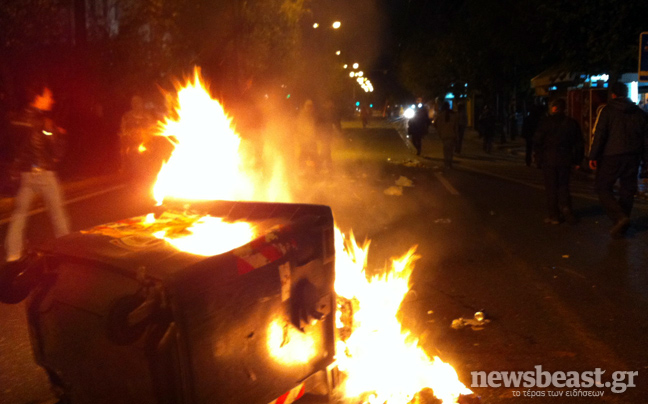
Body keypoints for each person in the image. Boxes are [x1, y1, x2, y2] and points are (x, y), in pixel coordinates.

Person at [4, 83, 70, 264]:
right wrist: (60, 135)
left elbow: (11, 147)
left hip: (26, 175)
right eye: (48, 96)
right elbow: (56, 153)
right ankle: (69, 251)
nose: (52, 100)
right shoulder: (45, 123)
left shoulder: (15, 119)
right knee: (58, 215)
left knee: (19, 216)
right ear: (38, 98)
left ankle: (12, 254)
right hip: (44, 174)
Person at [588, 82, 648, 237]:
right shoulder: (640, 113)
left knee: (603, 187)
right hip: (633, 157)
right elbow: (646, 140)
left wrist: (593, 156)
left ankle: (619, 217)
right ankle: (622, 225)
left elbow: (600, 135)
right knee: (627, 190)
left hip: (611, 156)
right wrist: (645, 161)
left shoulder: (607, 111)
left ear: (613, 94)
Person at [534, 98, 583, 225]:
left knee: (551, 188)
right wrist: (578, 160)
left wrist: (538, 158)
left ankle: (554, 215)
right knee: (563, 186)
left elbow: (538, 141)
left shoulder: (545, 122)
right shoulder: (571, 123)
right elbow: (578, 143)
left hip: (549, 159)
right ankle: (566, 209)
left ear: (554, 108)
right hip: (565, 159)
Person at [120, 95, 156, 177]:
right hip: (132, 146)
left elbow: (154, 130)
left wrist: (146, 133)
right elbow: (123, 131)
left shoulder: (148, 117)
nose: (136, 104)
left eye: (138, 102)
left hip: (147, 145)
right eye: (134, 102)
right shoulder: (127, 117)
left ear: (142, 104)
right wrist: (130, 133)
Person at [435, 101, 459, 169]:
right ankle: (450, 163)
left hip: (444, 135)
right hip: (452, 135)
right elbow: (456, 127)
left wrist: (439, 134)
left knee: (446, 150)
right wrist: (456, 135)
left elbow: (438, 126)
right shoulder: (454, 115)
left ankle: (446, 163)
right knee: (450, 150)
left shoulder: (441, 115)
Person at [521, 103, 546, 167]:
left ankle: (529, 161)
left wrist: (524, 135)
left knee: (529, 149)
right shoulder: (538, 119)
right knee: (537, 149)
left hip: (530, 135)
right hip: (535, 135)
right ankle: (537, 161)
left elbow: (525, 127)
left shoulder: (528, 118)